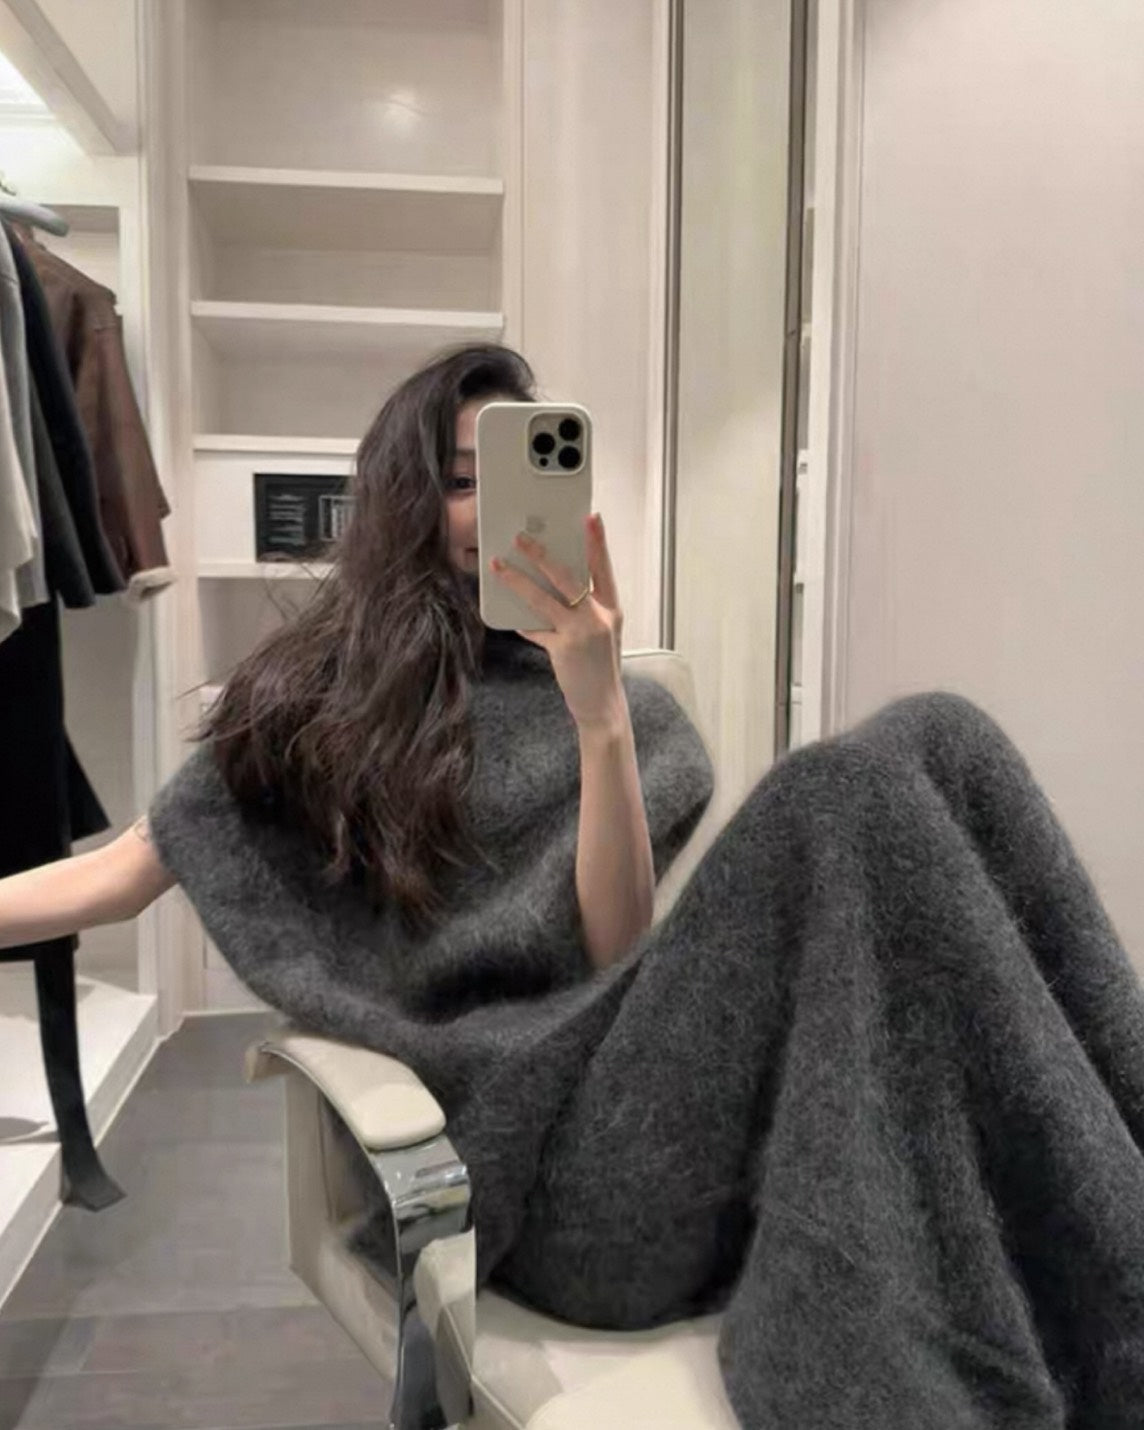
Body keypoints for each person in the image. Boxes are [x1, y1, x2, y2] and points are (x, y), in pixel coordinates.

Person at [3, 343, 1144, 1429]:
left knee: (941, 734)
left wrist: (597, 713)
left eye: (510, 479)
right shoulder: (315, 706)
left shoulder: (615, 701)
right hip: (535, 1178)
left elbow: (613, 947)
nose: (483, 513)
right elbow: (118, 877)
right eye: (459, 482)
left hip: (638, 1114)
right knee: (839, 789)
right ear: (403, 499)